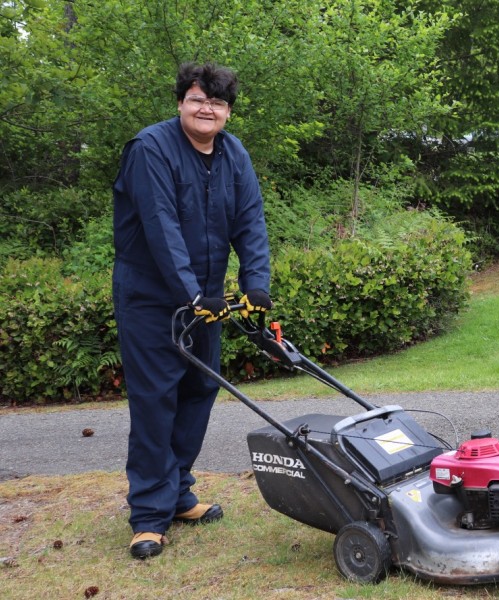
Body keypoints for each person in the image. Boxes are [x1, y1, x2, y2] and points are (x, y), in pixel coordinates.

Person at [112, 62, 272, 559]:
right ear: (182, 101)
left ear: (227, 112)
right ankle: (149, 515)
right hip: (151, 299)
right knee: (156, 399)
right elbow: (160, 226)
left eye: (217, 103)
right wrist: (189, 292)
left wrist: (256, 283)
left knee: (199, 390)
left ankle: (178, 494)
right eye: (198, 99)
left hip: (206, 299)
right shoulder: (151, 149)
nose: (207, 109)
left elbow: (249, 217)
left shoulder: (232, 151)